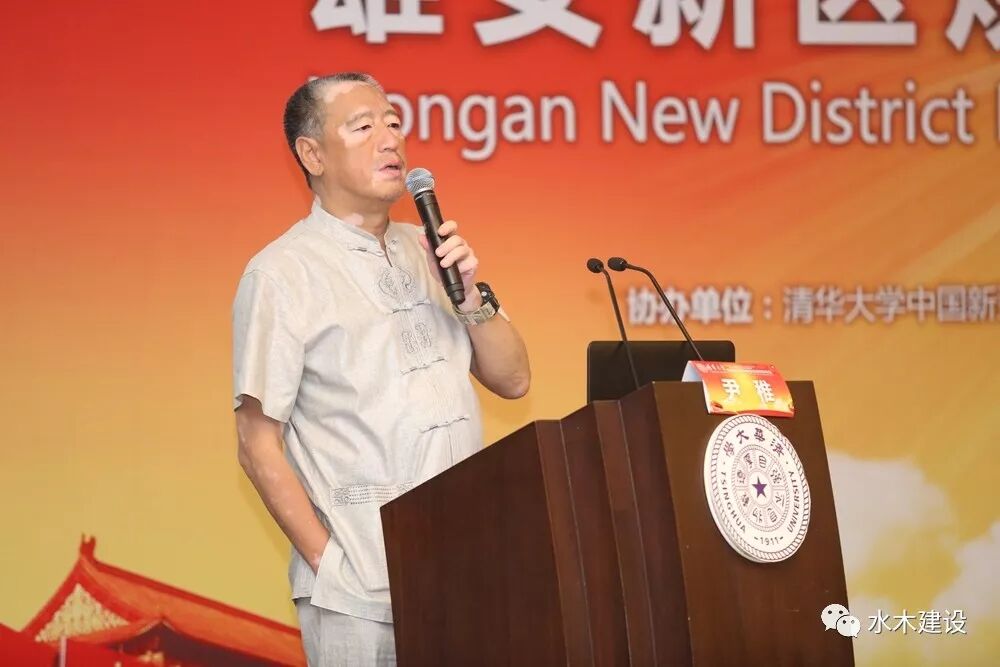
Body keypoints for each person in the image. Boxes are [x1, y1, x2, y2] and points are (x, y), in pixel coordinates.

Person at [230, 72, 530, 665]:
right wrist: (329, 563)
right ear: (312, 154)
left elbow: (515, 380)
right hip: (360, 590)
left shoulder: (430, 250)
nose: (390, 140)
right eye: (363, 127)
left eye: (394, 123)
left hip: (468, 574)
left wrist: (470, 294)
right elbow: (256, 443)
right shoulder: (282, 273)